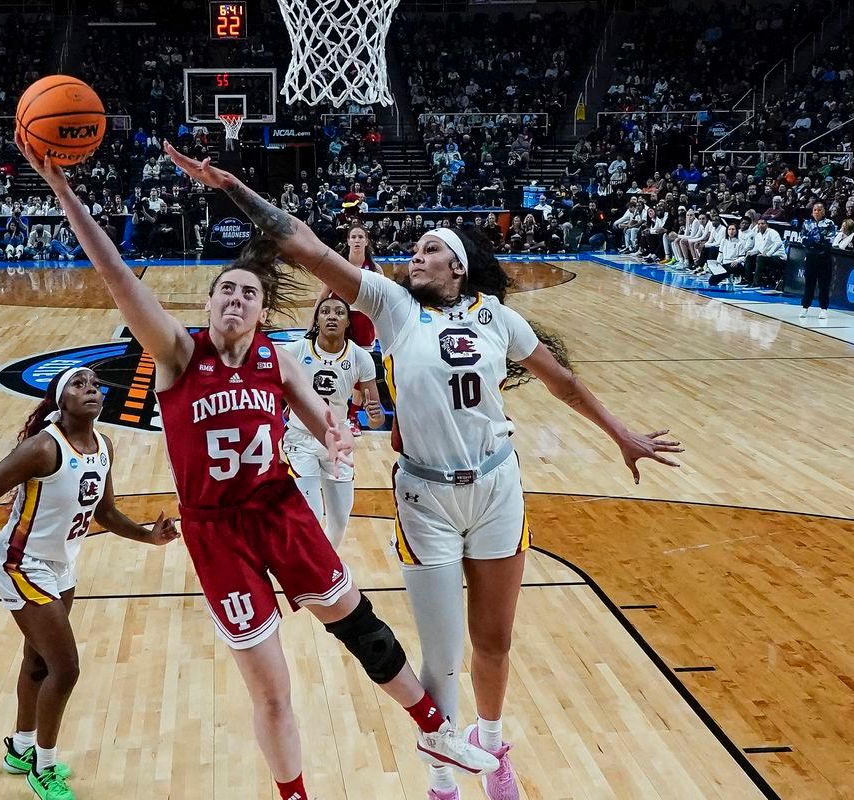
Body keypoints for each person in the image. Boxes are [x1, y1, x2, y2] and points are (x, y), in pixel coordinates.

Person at [166, 142, 683, 800]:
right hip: (425, 495)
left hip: (497, 487)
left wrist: (621, 434)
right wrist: (236, 189)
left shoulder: (499, 317)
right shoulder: (391, 305)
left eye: (431, 247)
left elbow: (563, 384)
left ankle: (493, 752)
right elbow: (304, 247)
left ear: (459, 268)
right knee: (441, 655)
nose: (417, 252)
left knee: (494, 641)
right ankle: (443, 780)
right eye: (415, 247)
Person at [19, 136, 500, 800]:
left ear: (262, 313)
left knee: (358, 622)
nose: (236, 301)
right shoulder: (177, 355)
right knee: (273, 689)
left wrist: (334, 437)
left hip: (278, 507)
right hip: (217, 531)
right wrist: (64, 192)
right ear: (208, 307)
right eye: (226, 293)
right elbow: (116, 274)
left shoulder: (278, 361)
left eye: (248, 294)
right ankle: (294, 795)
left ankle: (431, 725)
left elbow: (318, 415)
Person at [0, 367, 179, 800]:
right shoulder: (42, 448)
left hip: (63, 564)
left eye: (95, 385)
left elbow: (106, 513)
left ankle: (21, 748)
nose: (92, 390)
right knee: (67, 667)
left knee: (39, 662)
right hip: (22, 563)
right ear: (61, 401)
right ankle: (44, 767)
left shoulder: (104, 446)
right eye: (80, 384)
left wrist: (148, 536)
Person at [282, 297, 385, 549]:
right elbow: (270, 385)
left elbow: (376, 420)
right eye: (325, 311)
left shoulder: (361, 358)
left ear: (348, 321)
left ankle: (326, 568)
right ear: (316, 319)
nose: (332, 316)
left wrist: (374, 416)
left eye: (339, 312)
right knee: (312, 516)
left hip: (338, 442)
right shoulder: (296, 351)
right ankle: (312, 574)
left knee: (338, 523)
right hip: (301, 440)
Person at [314, 225, 386, 435]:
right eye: (353, 236)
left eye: (360, 237)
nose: (356, 240)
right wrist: (313, 323)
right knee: (330, 366)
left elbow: (382, 302)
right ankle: (327, 412)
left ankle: (352, 417)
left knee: (359, 371)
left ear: (366, 241)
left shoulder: (375, 269)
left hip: (363, 321)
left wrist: (382, 329)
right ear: (347, 241)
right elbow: (323, 295)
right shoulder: (338, 266)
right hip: (340, 319)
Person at [799, 201, 837, 320]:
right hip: (810, 257)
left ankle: (823, 309)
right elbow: (803, 239)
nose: (817, 212)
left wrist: (814, 240)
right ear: (812, 211)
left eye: (819, 210)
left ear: (824, 211)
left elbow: (828, 241)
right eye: (815, 210)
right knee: (809, 283)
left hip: (824, 257)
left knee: (824, 284)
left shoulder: (829, 223)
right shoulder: (807, 223)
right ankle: (805, 307)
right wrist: (816, 239)